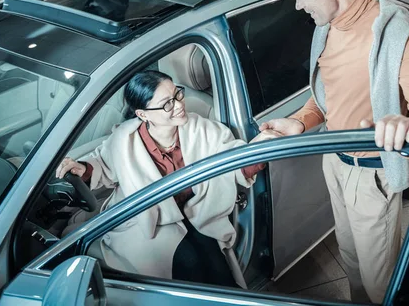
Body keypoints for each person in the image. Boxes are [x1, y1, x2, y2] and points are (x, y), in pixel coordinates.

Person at [259, 0, 409, 303]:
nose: (298, 4)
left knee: (382, 286)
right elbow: (328, 96)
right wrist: (299, 121)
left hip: (372, 176)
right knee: (352, 265)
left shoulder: (393, 32)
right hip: (334, 162)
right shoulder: (327, 24)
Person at [56, 70, 267, 288]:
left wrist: (259, 151)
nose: (178, 105)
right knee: (188, 265)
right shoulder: (123, 140)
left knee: (219, 271)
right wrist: (82, 168)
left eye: (178, 95)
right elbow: (102, 164)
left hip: (197, 214)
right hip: (147, 222)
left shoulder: (202, 128)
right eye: (167, 104)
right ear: (143, 114)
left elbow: (231, 159)